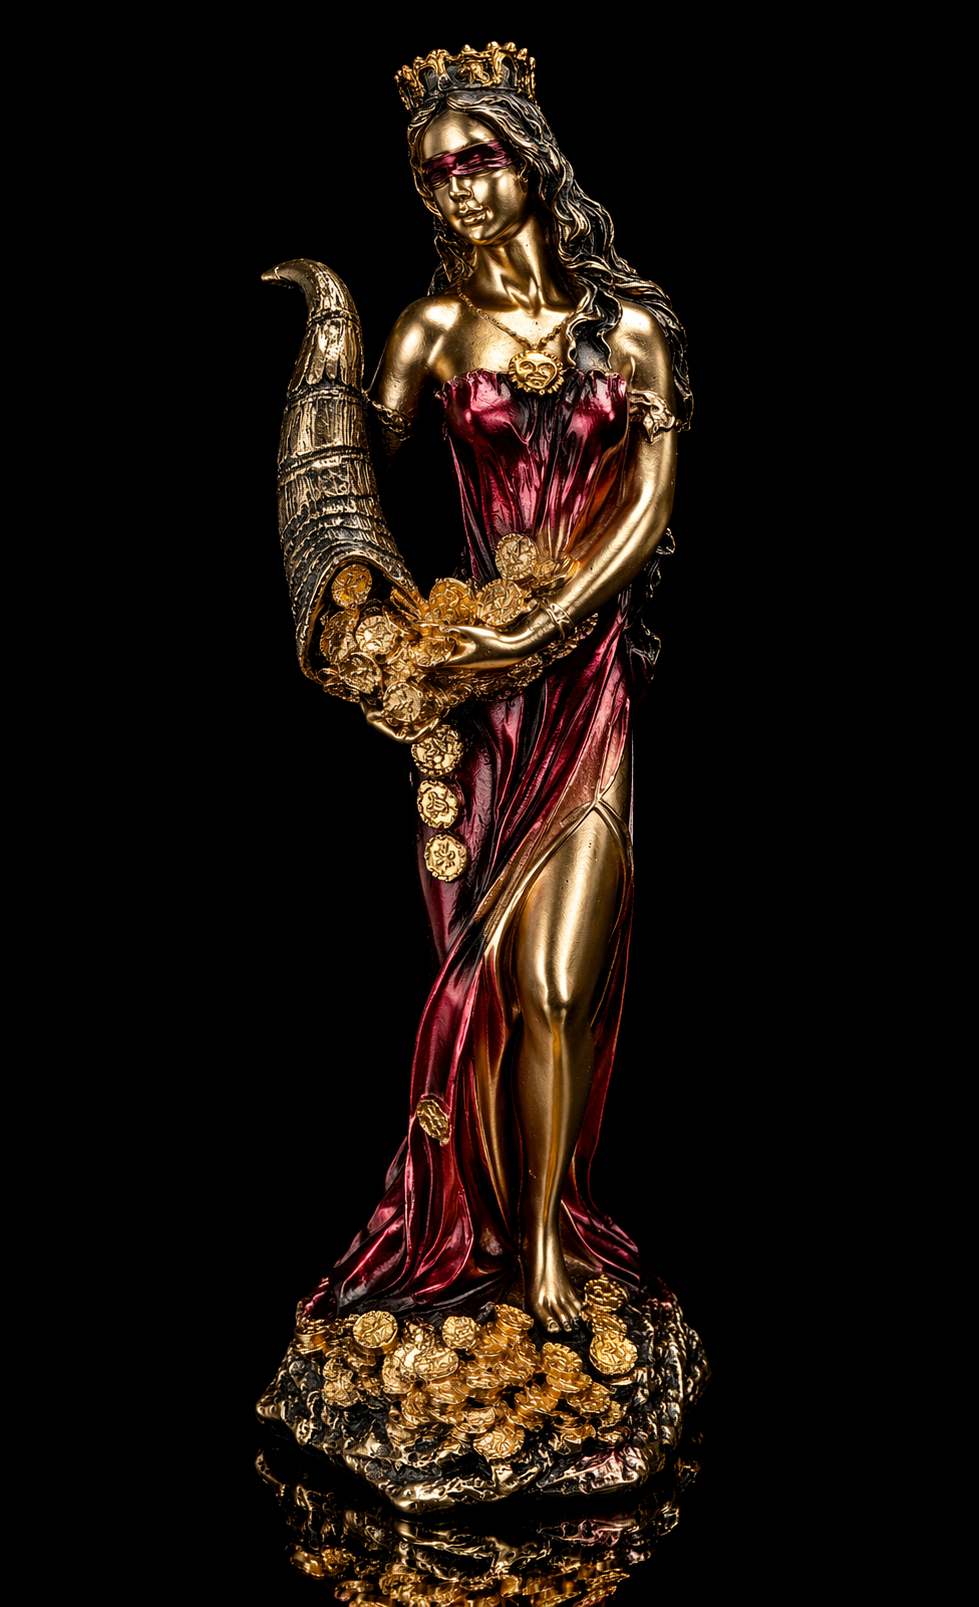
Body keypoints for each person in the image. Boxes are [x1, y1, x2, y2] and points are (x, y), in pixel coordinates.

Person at [301, 54, 691, 1337]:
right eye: (433, 176)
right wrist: (374, 618)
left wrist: (549, 621)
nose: (457, 189)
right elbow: (350, 469)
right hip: (474, 701)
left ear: (532, 160)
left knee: (558, 985)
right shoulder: (429, 331)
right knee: (487, 988)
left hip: (585, 685)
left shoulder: (629, 327)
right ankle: (496, 1239)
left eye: (477, 161)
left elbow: (647, 504)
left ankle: (544, 1245)